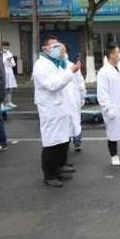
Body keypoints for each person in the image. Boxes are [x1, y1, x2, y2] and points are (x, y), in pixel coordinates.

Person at [32, 35, 81, 187]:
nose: (57, 49)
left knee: (61, 142)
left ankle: (58, 169)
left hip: (61, 109)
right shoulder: (41, 65)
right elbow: (53, 85)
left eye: (58, 46)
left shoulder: (56, 63)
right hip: (51, 111)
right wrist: (70, 72)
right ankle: (49, 175)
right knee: (51, 144)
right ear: (45, 49)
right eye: (53, 47)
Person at [65, 45, 86, 153]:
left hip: (72, 99)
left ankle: (74, 142)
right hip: (67, 100)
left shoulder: (72, 66)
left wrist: (82, 96)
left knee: (73, 121)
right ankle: (73, 142)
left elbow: (80, 83)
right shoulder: (58, 67)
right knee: (72, 121)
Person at [1, 41, 17, 107]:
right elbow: (1, 62)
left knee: (9, 89)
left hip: (9, 73)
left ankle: (9, 102)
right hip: (2, 73)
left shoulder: (9, 53)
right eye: (4, 46)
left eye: (7, 47)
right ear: (2, 46)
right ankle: (1, 103)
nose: (6, 48)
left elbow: (13, 64)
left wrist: (10, 60)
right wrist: (6, 60)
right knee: (2, 89)